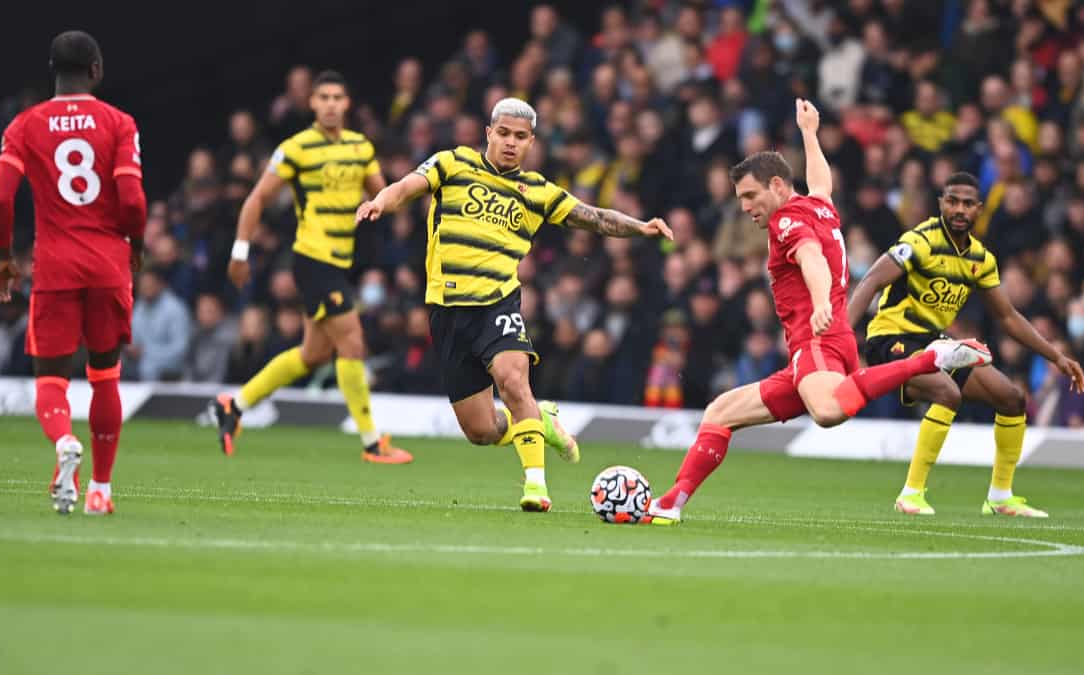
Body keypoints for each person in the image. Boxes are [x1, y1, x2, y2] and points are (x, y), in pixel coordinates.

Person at [645, 100, 994, 525]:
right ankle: (671, 502)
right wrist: (810, 133)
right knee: (720, 412)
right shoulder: (819, 206)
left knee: (828, 412)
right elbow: (821, 182)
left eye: (750, 195)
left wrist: (823, 300)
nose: (744, 206)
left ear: (776, 185)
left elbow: (811, 256)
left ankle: (930, 358)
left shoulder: (785, 221)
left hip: (818, 339)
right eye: (739, 198)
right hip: (823, 344)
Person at [356, 97, 673, 511]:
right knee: (481, 430)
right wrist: (381, 201)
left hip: (497, 303)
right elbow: (406, 187)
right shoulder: (453, 164)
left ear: (531, 143)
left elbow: (594, 217)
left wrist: (641, 227)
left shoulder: (538, 191)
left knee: (513, 379)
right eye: (503, 133)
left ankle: (536, 487)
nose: (510, 142)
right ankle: (542, 421)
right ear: (488, 133)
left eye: (520, 137)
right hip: (448, 310)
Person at [847, 172, 1084, 518]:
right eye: (952, 201)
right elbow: (870, 280)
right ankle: (910, 493)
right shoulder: (920, 241)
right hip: (891, 338)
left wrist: (1056, 355)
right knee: (948, 392)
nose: (959, 209)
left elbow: (1007, 317)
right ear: (941, 203)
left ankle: (1000, 497)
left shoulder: (980, 259)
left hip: (934, 344)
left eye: (967, 203)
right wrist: (840, 337)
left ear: (979, 208)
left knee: (1012, 398)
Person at [210, 71, 412, 465]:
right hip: (313, 260)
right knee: (352, 342)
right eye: (324, 97)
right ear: (313, 103)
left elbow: (384, 194)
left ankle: (234, 405)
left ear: (347, 102)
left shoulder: (360, 146)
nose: (332, 103)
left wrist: (391, 197)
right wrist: (239, 252)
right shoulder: (296, 148)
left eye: (338, 96)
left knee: (313, 354)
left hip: (341, 261)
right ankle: (372, 443)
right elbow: (256, 200)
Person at [0, 31, 147, 515]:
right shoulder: (119, 123)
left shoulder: (24, 125)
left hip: (55, 265)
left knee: (51, 381)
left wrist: (2, 258)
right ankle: (100, 490)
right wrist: (134, 247)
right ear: (96, 69)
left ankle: (62, 443)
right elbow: (134, 201)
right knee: (105, 375)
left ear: (53, 72)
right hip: (106, 263)